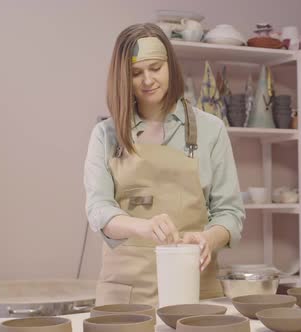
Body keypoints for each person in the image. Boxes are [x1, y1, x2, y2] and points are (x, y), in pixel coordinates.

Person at [84, 23, 245, 306]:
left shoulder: (211, 130)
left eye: (156, 68)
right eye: (136, 73)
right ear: (123, 77)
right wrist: (141, 227)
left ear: (170, 66)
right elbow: (99, 209)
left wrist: (208, 238)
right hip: (125, 298)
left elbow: (230, 212)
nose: (147, 80)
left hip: (196, 293)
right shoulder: (106, 135)